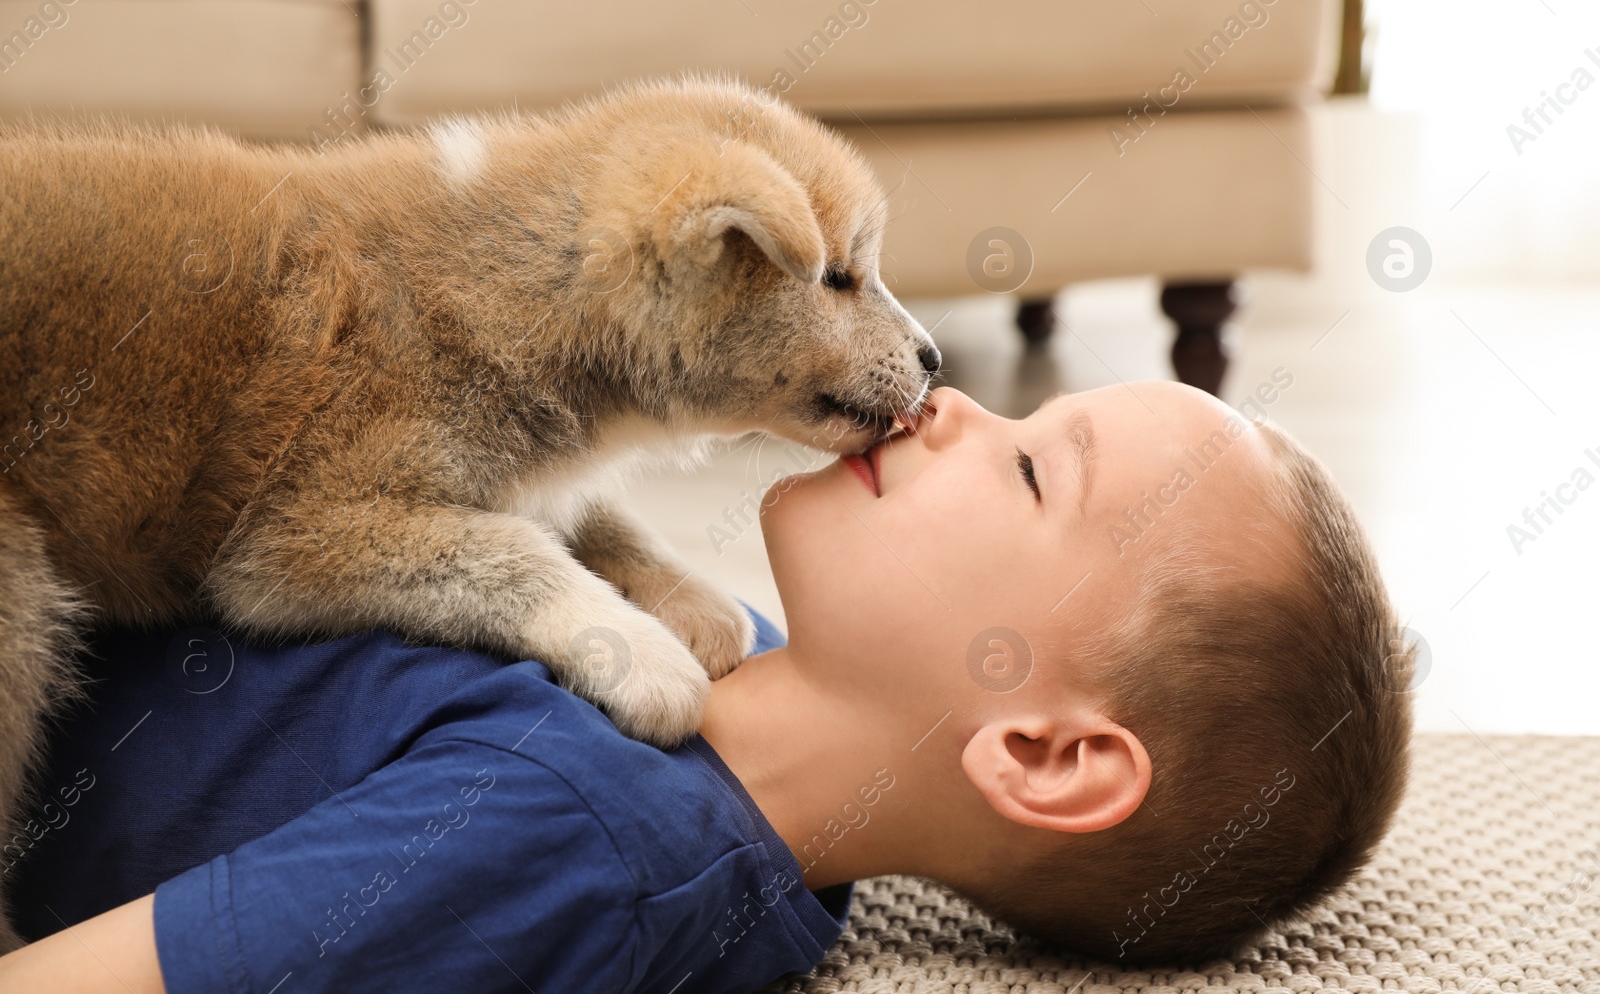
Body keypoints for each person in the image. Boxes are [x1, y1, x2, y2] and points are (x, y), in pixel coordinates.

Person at [0, 382, 1413, 993]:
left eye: (1035, 467)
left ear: (1045, 756)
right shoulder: (717, 653)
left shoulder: (584, 850)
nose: (953, 405)